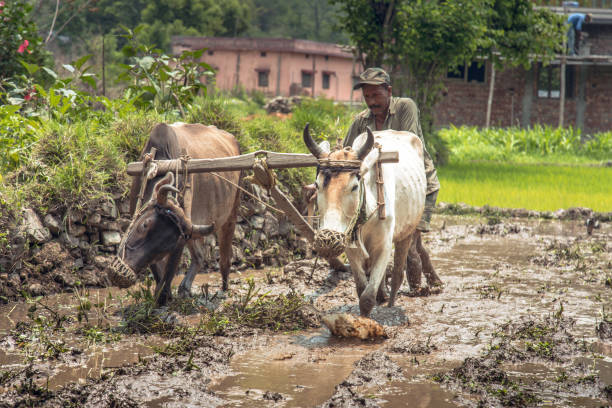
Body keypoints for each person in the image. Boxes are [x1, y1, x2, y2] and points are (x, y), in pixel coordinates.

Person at [345, 67, 443, 292]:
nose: (371, 102)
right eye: (367, 96)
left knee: (408, 243)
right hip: (383, 189)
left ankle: (416, 292)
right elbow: (346, 154)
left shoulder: (405, 107)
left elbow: (406, 145)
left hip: (416, 186)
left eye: (376, 95)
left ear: (389, 91)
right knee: (402, 238)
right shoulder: (361, 122)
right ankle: (434, 282)